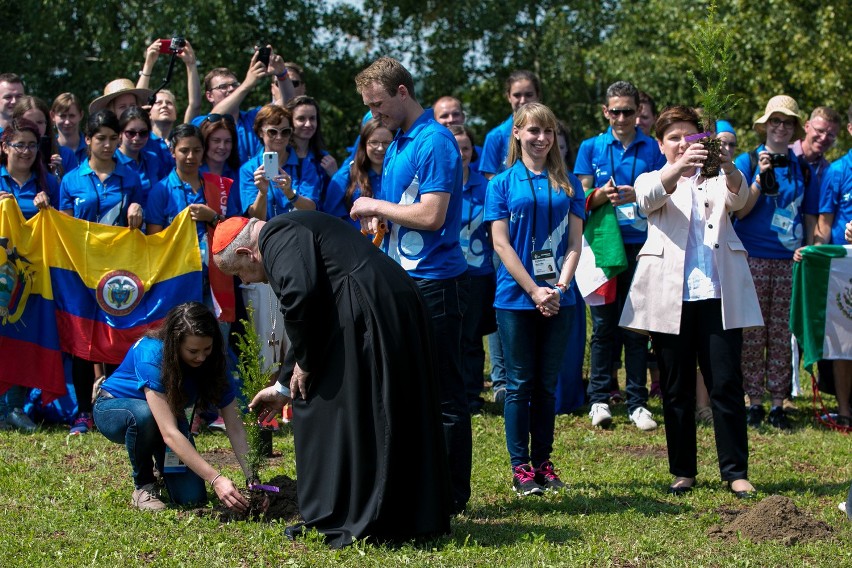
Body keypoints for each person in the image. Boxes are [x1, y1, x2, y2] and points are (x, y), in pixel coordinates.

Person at [213, 212, 452, 547]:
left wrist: (308, 364)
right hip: (385, 303)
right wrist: (283, 386)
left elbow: (301, 298)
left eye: (240, 273)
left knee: (326, 401)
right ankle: (405, 513)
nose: (248, 281)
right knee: (380, 406)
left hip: (369, 308)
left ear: (244, 253)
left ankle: (344, 513)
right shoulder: (289, 230)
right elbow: (310, 312)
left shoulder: (276, 234)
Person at [620, 105, 762, 499]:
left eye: (690, 136)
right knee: (677, 388)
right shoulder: (654, 177)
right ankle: (683, 470)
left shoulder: (717, 177)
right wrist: (679, 166)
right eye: (673, 138)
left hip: (718, 295)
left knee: (726, 385)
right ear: (661, 144)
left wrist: (729, 165)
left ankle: (735, 471)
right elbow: (646, 199)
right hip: (671, 298)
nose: (683, 144)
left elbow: (741, 198)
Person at [351, 56, 471, 515]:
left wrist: (373, 205)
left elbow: (431, 214)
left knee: (444, 395)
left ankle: (452, 497)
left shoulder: (435, 141)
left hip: (437, 285)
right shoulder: (398, 140)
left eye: (378, 105)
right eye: (368, 107)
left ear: (402, 92)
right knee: (406, 391)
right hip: (402, 279)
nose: (372, 115)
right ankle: (419, 485)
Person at [484, 103, 585, 495]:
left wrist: (559, 288)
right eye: (533, 131)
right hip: (515, 297)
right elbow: (500, 243)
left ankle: (543, 462)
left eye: (548, 131)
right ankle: (519, 467)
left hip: (561, 297)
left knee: (546, 385)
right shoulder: (501, 184)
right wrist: (533, 289)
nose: (541, 138)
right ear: (517, 133)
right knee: (519, 383)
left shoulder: (569, 183)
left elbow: (576, 243)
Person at [93, 302, 255, 511]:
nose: (201, 357)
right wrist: (216, 479)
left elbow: (236, 427)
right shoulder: (151, 354)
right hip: (115, 409)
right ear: (174, 343)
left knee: (191, 498)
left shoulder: (214, 363)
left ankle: (164, 470)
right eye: (193, 351)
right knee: (144, 416)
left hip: (166, 418)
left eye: (207, 349)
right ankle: (143, 485)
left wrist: (253, 479)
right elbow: (169, 432)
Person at [574, 80, 666, 431]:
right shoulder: (591, 147)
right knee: (603, 326)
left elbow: (663, 193)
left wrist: (637, 196)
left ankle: (637, 402)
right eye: (616, 111)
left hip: (642, 245)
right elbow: (579, 196)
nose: (623, 118)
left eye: (629, 111)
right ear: (605, 112)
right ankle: (599, 398)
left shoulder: (652, 148)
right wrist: (602, 194)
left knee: (637, 326)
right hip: (602, 247)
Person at [733, 95, 819, 430]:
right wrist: (758, 174)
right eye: (775, 122)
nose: (780, 128)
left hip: (789, 260)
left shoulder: (803, 168)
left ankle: (778, 402)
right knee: (753, 332)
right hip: (752, 255)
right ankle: (754, 401)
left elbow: (810, 215)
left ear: (794, 129)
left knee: (783, 334)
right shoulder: (748, 158)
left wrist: (810, 249)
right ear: (765, 125)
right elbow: (739, 209)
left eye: (786, 123)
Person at [59, 110, 144, 434]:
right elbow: (63, 229)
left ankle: (113, 407)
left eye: (112, 138)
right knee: (83, 339)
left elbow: (140, 222)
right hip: (80, 274)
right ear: (88, 140)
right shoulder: (71, 180)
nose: (108, 145)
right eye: (101, 139)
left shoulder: (130, 177)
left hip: (118, 273)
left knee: (115, 337)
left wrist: (138, 210)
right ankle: (83, 411)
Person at [0, 118, 60, 432]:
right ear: (4, 147)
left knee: (24, 335)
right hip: (0, 275)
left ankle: (14, 408)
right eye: (19, 144)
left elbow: (66, 229)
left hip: (33, 280)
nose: (26, 151)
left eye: (32, 145)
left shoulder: (49, 183)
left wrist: (49, 210)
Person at [449, 124, 496, 415]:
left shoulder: (486, 186)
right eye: (455, 148)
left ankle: (472, 396)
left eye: (465, 148)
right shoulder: (440, 183)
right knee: (449, 337)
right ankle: (449, 395)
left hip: (479, 274)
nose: (461, 154)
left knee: (472, 338)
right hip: (448, 272)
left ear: (473, 151)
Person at [814, 103, 852, 424]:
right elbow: (824, 226)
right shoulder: (837, 171)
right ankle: (844, 410)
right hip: (843, 268)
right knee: (843, 340)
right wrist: (814, 257)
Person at [192, 47, 293, 164]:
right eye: (223, 87)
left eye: (234, 85)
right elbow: (215, 116)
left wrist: (282, 74)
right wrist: (247, 84)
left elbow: (288, 102)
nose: (231, 89)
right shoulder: (200, 122)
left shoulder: (254, 117)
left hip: (256, 180)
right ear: (209, 96)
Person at [239, 104, 316, 219]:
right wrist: (262, 193)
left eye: (285, 132)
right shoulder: (249, 169)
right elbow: (255, 218)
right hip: (266, 235)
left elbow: (312, 209)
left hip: (298, 233)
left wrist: (290, 194)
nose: (279, 137)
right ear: (260, 132)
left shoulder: (305, 166)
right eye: (272, 132)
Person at [320, 118, 391, 226]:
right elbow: (330, 222)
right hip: (355, 241)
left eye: (386, 143)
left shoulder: (401, 176)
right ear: (363, 144)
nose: (380, 148)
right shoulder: (345, 176)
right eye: (373, 142)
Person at [479, 70, 541, 179]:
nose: (523, 100)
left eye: (529, 95)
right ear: (508, 97)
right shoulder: (495, 136)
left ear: (537, 95)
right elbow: (489, 176)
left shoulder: (551, 132)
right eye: (517, 95)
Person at [284, 95, 337, 202]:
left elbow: (335, 200)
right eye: (301, 119)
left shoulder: (325, 160)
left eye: (312, 118)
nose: (308, 124)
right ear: (289, 121)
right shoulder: (280, 157)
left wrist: (335, 176)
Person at [115, 106, 169, 204]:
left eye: (143, 133)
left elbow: (164, 191)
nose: (137, 138)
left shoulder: (153, 159)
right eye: (131, 133)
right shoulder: (112, 160)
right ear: (120, 133)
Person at [12, 96, 76, 177]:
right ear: (16, 124)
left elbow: (75, 188)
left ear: (47, 124)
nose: (34, 127)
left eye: (40, 122)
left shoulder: (66, 155)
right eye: (28, 122)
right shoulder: (6, 154)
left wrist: (56, 175)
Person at [791, 106, 841, 189]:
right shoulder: (783, 153)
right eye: (820, 131)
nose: (823, 138)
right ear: (807, 127)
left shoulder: (828, 171)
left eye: (830, 135)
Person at [50, 93, 88, 164]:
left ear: (81, 115)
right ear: (52, 116)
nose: (67, 122)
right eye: (62, 116)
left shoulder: (91, 147)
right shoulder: (48, 149)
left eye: (72, 116)